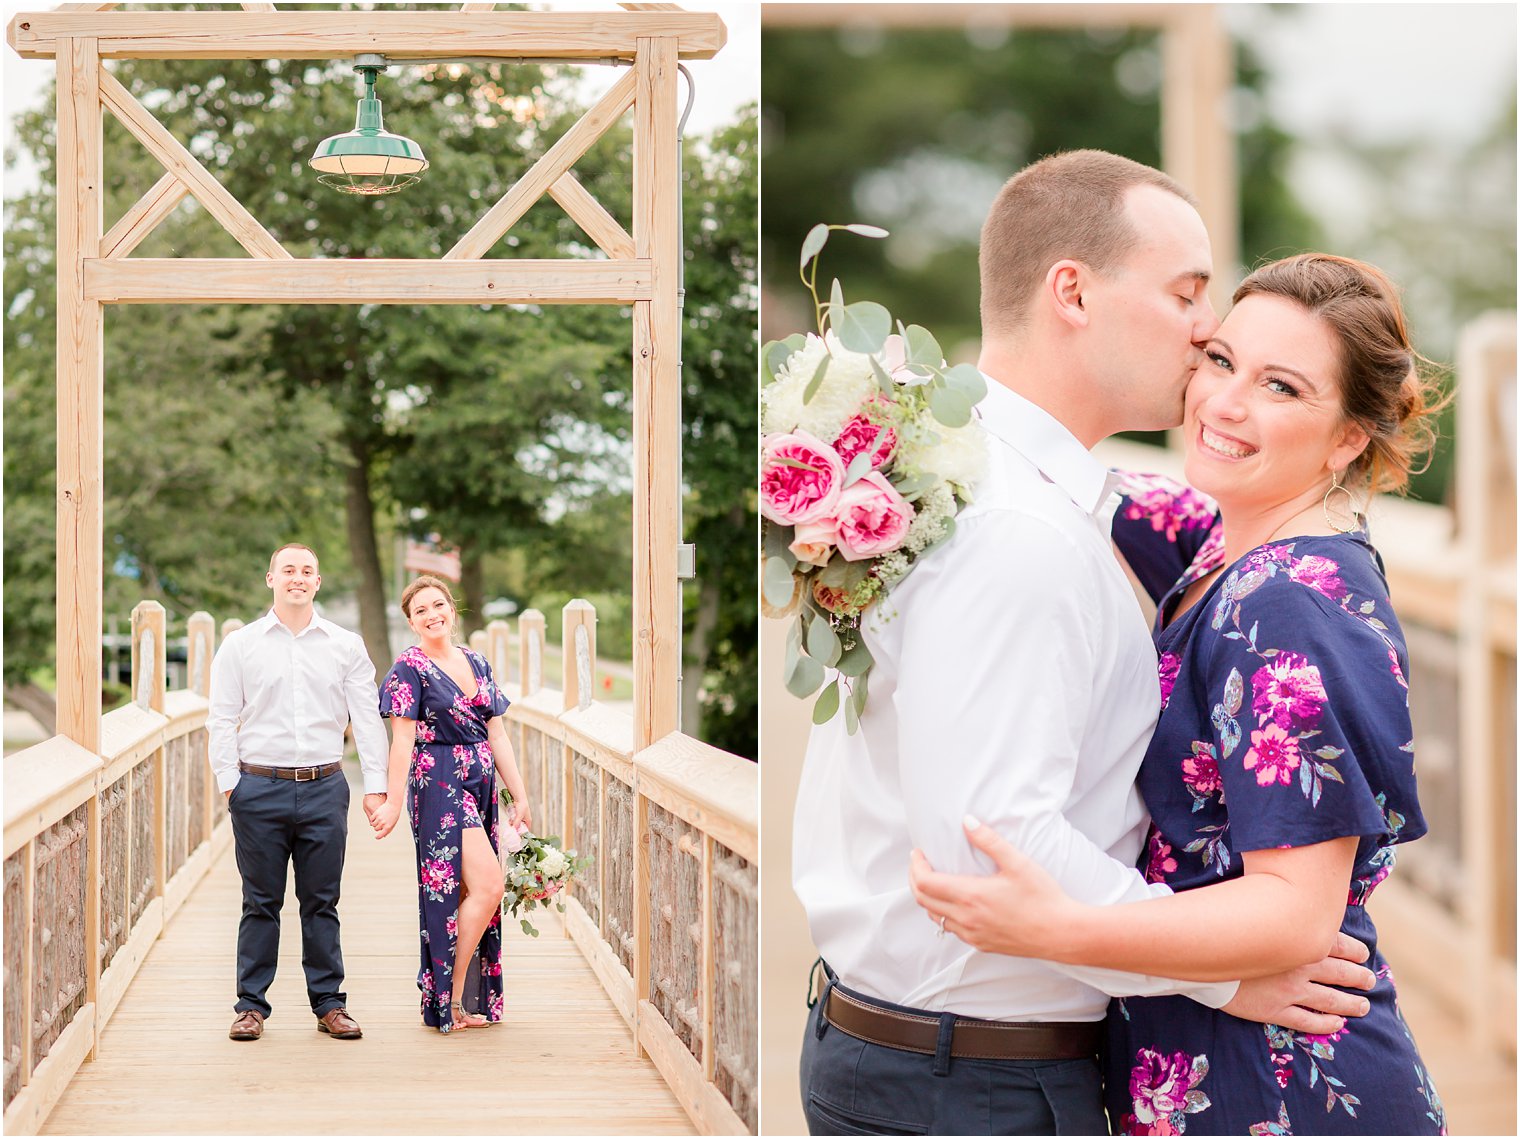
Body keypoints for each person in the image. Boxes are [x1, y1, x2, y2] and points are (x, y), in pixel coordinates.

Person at [792, 151, 1376, 1136]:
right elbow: (992, 846)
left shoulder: (959, 464)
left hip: (924, 1056)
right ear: (1071, 289)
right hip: (966, 1080)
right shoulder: (1017, 527)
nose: (1207, 329)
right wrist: (1227, 971)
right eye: (1186, 293)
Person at [910, 253, 1446, 1135]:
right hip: (1212, 1057)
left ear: (1349, 436)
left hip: (1285, 1085)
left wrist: (1055, 928)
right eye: (1221, 360)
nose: (1225, 404)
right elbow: (1042, 451)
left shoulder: (1292, 604)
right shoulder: (1220, 543)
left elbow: (1293, 914)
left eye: (1281, 387)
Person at [208, 542, 389, 1042]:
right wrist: (231, 784)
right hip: (258, 787)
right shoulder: (241, 645)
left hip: (324, 787)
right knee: (259, 901)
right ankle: (251, 1006)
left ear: (318, 582)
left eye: (307, 570)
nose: (297, 578)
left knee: (321, 901)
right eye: (288, 570)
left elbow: (368, 719)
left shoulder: (344, 645)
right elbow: (221, 717)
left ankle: (330, 1004)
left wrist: (376, 787)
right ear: (270, 578)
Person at [371, 574, 531, 1033]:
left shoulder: (477, 662)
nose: (431, 614)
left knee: (468, 892)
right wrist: (394, 800)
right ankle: (450, 999)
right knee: (488, 885)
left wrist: (519, 794)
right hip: (437, 781)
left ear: (452, 609)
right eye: (420, 610)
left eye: (437, 605)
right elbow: (401, 742)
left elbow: (496, 733)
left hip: (479, 781)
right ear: (410, 622)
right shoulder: (409, 668)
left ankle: (454, 1001)